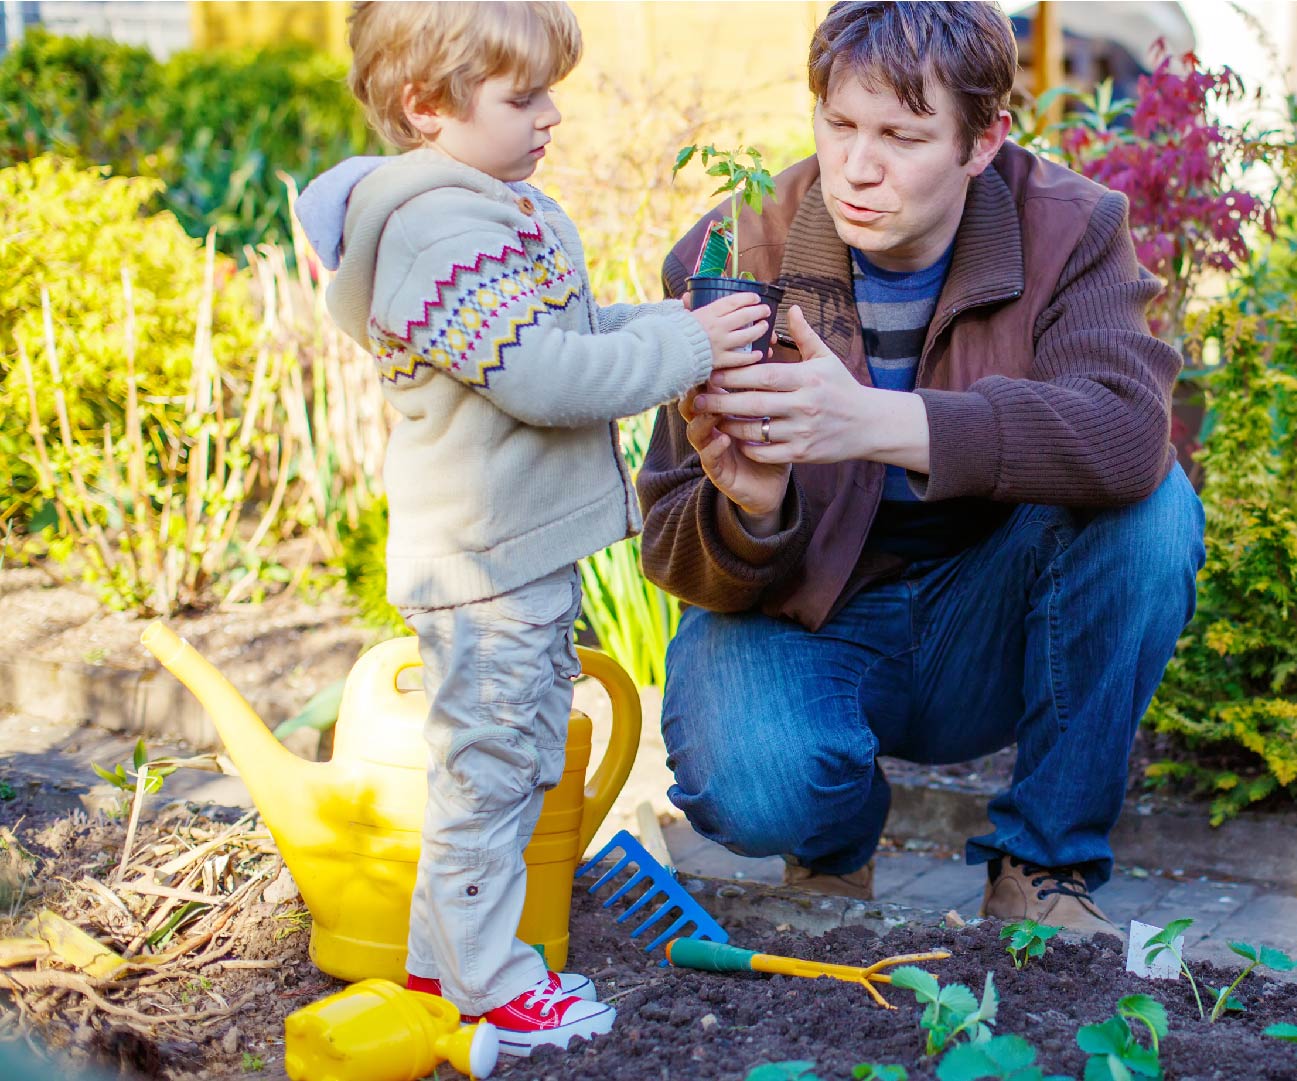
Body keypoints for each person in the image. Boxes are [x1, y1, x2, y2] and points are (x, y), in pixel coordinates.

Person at [637, 0, 1204, 936]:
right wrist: (753, 511)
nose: (857, 167)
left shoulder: (1073, 227)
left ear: (983, 141)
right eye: (840, 124)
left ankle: (1041, 865)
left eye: (902, 136)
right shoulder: (736, 250)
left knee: (1154, 511)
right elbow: (666, 537)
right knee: (747, 782)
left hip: (996, 610)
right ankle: (831, 848)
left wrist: (878, 421)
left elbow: (1126, 436)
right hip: (812, 611)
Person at [295, 0, 769, 1053]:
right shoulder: (434, 231)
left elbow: (573, 330)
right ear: (426, 105)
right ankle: (489, 984)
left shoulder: (493, 205)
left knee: (503, 763)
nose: (553, 115)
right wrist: (688, 350)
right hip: (485, 561)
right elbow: (547, 377)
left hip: (518, 552)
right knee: (494, 769)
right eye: (524, 97)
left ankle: (441, 964)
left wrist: (680, 327)